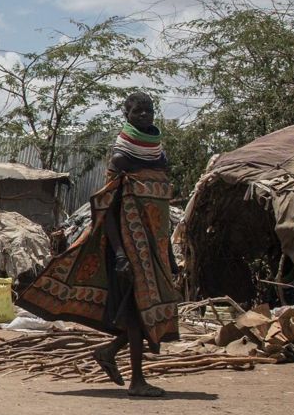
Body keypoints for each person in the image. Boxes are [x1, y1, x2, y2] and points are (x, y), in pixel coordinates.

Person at [18, 90, 182, 398]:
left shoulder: (160, 157)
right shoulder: (121, 158)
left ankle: (109, 353)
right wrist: (121, 254)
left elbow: (160, 210)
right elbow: (105, 208)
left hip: (154, 248)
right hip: (128, 246)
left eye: (149, 111)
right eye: (138, 112)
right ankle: (136, 381)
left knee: (149, 310)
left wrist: (168, 251)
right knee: (136, 310)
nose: (145, 116)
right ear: (127, 115)